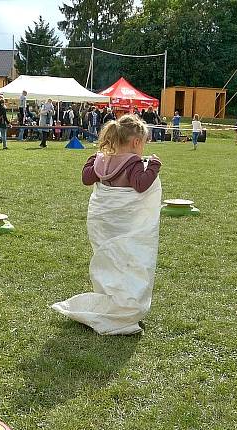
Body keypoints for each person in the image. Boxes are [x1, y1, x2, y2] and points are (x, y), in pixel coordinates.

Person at [51, 115, 162, 335]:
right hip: (124, 224)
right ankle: (124, 303)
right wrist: (154, 167)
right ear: (136, 142)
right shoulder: (133, 163)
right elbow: (140, 185)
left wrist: (92, 159)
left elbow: (87, 178)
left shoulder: (101, 160)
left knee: (112, 261)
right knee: (126, 260)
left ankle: (111, 297)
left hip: (104, 221)